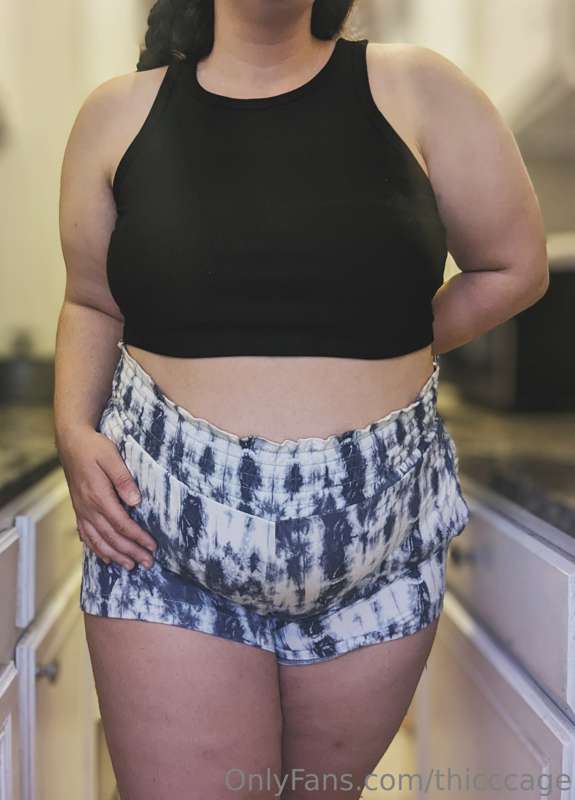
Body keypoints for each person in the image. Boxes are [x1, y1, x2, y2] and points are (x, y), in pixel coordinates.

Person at [54, 0, 549, 797]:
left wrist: (383, 332)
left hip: (380, 525)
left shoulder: (420, 88)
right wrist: (73, 431)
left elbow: (513, 267)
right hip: (162, 528)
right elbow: (90, 302)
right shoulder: (117, 113)